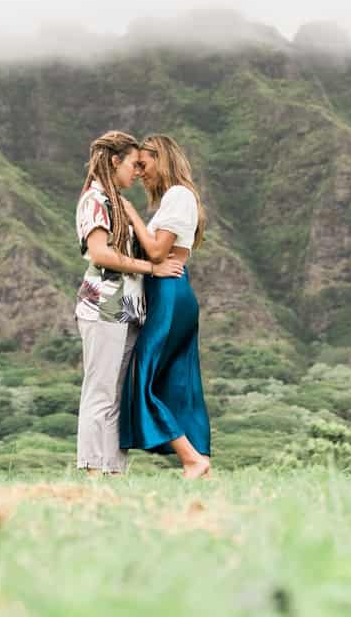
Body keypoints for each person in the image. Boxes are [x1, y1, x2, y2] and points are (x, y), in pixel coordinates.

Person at [74, 130, 184, 475]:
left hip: (126, 310)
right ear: (114, 162)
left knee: (117, 395)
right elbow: (100, 253)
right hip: (105, 305)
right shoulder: (96, 201)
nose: (137, 172)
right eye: (133, 164)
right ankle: (93, 470)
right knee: (100, 391)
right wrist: (152, 267)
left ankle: (112, 470)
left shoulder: (115, 202)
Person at [118, 133, 212, 479]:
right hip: (169, 292)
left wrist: (130, 214)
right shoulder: (175, 199)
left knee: (142, 377)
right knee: (176, 382)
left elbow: (158, 253)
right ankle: (201, 462)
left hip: (169, 293)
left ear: (163, 158)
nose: (140, 172)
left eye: (144, 164)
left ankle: (192, 459)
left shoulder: (178, 195)